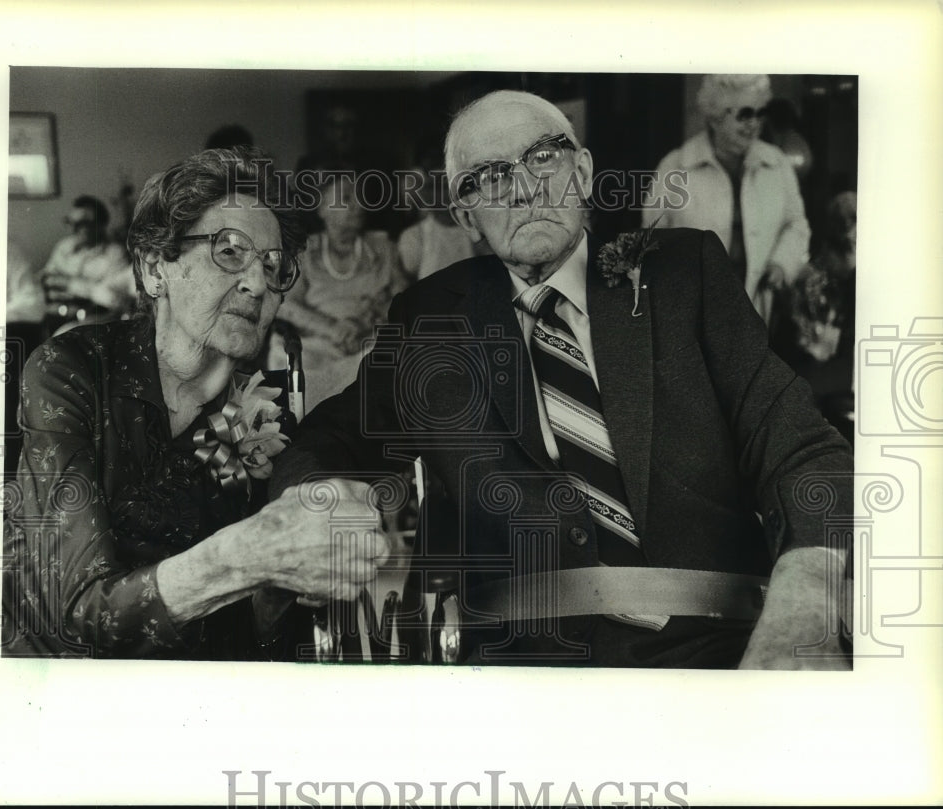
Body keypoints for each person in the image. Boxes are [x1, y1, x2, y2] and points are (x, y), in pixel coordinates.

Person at [265, 90, 853, 669]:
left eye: (543, 156)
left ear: (584, 171)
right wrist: (311, 500)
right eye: (488, 176)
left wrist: (807, 595)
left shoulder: (684, 275)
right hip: (523, 665)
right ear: (465, 214)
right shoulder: (433, 320)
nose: (523, 186)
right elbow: (328, 440)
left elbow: (800, 447)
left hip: (719, 648)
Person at [2, 147, 389, 659]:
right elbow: (80, 614)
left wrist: (282, 586)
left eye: (275, 266)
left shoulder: (268, 412)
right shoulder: (74, 371)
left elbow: (258, 642)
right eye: (229, 251)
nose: (258, 283)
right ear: (155, 267)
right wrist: (248, 557)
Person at [642, 75, 810, 325]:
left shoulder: (777, 164)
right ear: (715, 117)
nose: (754, 123)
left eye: (760, 113)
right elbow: (652, 238)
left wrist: (781, 264)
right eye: (744, 114)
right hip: (692, 315)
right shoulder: (675, 166)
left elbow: (796, 224)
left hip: (758, 309)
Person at [277, 171, 411, 409]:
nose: (358, 205)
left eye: (359, 197)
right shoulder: (305, 253)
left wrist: (362, 323)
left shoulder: (384, 247)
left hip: (370, 340)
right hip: (319, 345)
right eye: (346, 198)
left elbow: (404, 298)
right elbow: (285, 304)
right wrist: (332, 328)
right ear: (322, 208)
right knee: (291, 362)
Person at [773, 191, 857, 445]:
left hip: (822, 381)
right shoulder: (813, 281)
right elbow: (816, 354)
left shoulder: (846, 281)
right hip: (808, 383)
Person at [39, 195, 137, 334]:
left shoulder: (114, 254)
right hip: (55, 313)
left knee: (63, 337)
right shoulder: (64, 246)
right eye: (71, 222)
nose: (73, 229)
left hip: (93, 319)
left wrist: (68, 284)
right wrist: (84, 287)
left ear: (100, 224)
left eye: (82, 224)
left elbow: (112, 298)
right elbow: (48, 279)